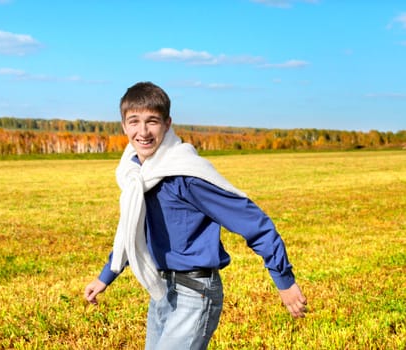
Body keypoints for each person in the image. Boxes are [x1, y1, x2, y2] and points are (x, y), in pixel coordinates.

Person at [84, 81, 307, 349]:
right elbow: (134, 232)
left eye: (152, 121)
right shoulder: (135, 175)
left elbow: (255, 223)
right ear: (123, 126)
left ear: (167, 124)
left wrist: (284, 281)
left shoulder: (188, 176)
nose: (142, 131)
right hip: (162, 290)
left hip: (195, 293)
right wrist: (106, 275)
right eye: (134, 121)